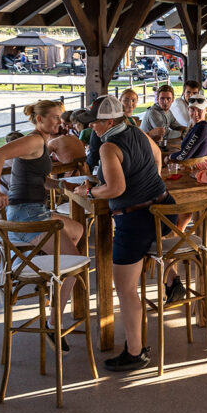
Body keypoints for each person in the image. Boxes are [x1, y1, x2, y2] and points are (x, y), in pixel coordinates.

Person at [72, 95, 173, 372]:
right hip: (164, 211)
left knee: (126, 289)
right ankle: (171, 281)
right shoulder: (138, 131)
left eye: (94, 123)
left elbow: (115, 189)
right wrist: (149, 180)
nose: (91, 127)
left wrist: (89, 191)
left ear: (108, 121)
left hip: (136, 220)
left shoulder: (108, 147)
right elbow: (157, 156)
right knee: (133, 281)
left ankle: (135, 351)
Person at [0, 101, 84, 351]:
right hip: (26, 214)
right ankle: (54, 324)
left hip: (35, 209)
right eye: (53, 117)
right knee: (73, 262)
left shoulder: (41, 142)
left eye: (60, 117)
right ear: (39, 120)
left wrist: (62, 186)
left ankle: (53, 276)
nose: (58, 122)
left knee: (77, 230)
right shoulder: (34, 141)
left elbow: (39, 180)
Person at [168, 97, 207, 162]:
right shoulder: (198, 126)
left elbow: (183, 156)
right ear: (188, 110)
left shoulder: (202, 128)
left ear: (206, 110)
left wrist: (170, 157)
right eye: (192, 110)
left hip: (193, 169)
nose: (196, 114)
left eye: (200, 110)